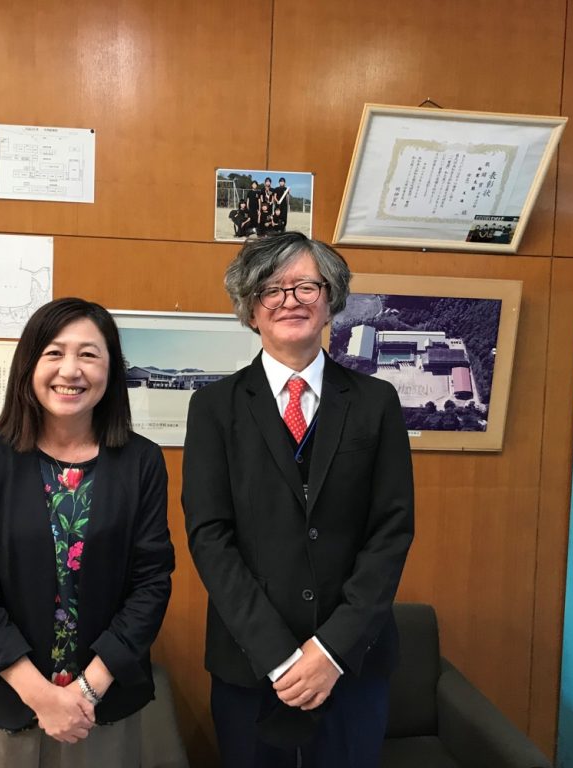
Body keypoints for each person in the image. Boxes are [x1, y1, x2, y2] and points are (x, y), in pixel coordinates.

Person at [182, 232, 414, 768]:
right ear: (250, 309)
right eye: (271, 289)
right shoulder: (214, 407)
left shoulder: (376, 402)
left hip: (352, 662)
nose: (290, 300)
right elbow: (210, 537)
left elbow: (391, 531)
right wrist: (279, 656)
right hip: (251, 664)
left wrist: (330, 650)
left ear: (331, 300)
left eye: (306, 286)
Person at [0, 297, 175, 767]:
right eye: (54, 353)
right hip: (7, 700)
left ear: (110, 370)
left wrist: (85, 691)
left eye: (88, 354)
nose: (70, 370)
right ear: (29, 365)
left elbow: (151, 585)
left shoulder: (142, 462)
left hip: (101, 706)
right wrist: (41, 696)